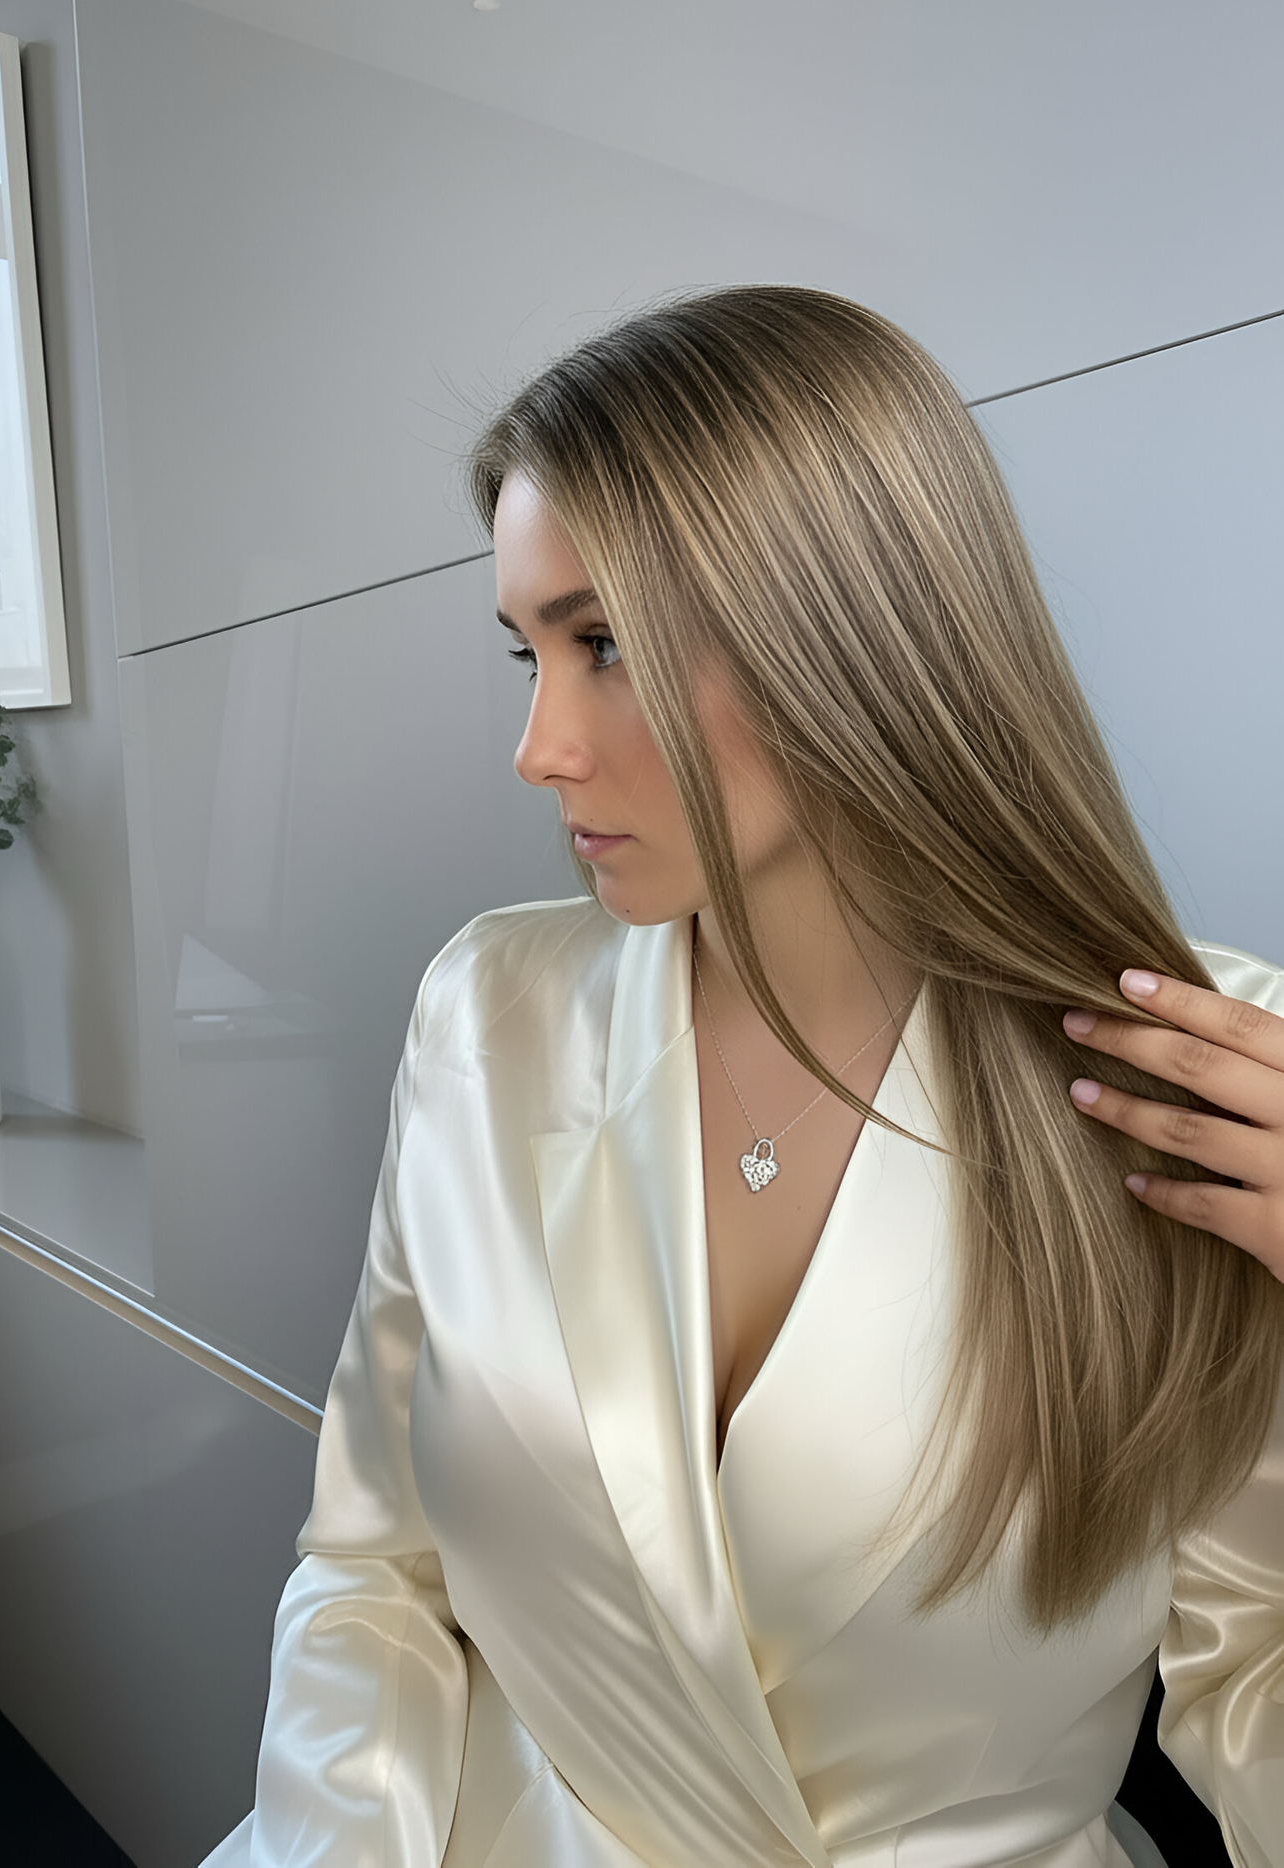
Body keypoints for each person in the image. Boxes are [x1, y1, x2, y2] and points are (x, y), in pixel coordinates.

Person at [202, 287, 1284, 1868]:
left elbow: (1254, 1667)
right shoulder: (488, 1012)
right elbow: (373, 1572)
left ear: (851, 630)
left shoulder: (1203, 1069)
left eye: (607, 646)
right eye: (527, 652)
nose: (538, 745)